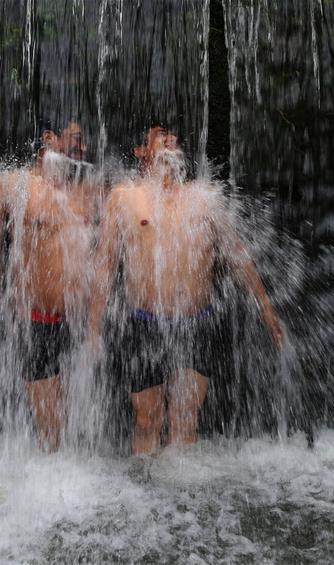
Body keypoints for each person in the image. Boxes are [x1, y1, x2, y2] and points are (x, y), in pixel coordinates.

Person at [88, 126, 283, 455]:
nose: (171, 139)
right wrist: (93, 327)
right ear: (141, 150)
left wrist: (266, 309)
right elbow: (105, 266)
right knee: (147, 419)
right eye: (160, 134)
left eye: (174, 136)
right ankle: (146, 485)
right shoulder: (124, 197)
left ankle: (182, 486)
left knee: (185, 418)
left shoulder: (205, 197)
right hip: (143, 324)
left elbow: (237, 257)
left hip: (195, 323)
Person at [0, 121, 99, 451]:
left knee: (77, 430)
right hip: (36, 322)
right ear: (48, 139)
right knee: (52, 433)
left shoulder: (88, 187)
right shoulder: (12, 187)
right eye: (77, 139)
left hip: (79, 324)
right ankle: (49, 475)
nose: (84, 148)